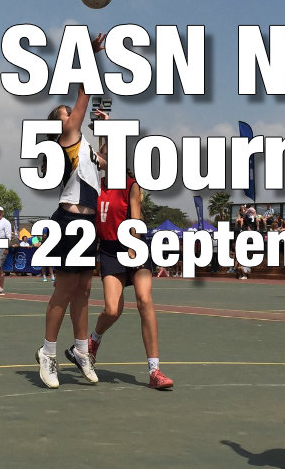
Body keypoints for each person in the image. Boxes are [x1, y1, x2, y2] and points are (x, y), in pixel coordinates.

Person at [35, 32, 105, 389]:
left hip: (88, 224)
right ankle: (47, 353)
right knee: (64, 290)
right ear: (60, 123)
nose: (73, 114)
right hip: (69, 222)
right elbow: (85, 93)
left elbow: (107, 163)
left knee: (84, 291)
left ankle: (80, 350)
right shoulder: (67, 139)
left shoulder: (84, 146)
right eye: (68, 113)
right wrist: (89, 55)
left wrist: (105, 131)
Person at [87, 127, 173, 390]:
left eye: (103, 154)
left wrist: (134, 249)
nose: (98, 157)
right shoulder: (95, 187)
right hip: (109, 251)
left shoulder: (130, 185)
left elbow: (135, 219)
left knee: (145, 300)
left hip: (132, 245)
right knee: (112, 310)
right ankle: (93, 340)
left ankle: (154, 371)